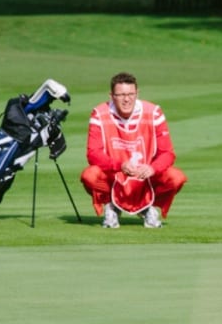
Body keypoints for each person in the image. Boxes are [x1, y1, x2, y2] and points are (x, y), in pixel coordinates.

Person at [79, 72, 187, 228]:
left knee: (176, 178)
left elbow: (168, 153)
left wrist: (152, 168)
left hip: (146, 177)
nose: (127, 99)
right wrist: (120, 165)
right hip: (114, 176)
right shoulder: (99, 113)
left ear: (137, 93)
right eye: (121, 94)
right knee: (89, 175)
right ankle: (111, 206)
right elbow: (93, 153)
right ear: (111, 95)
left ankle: (148, 207)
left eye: (130, 94)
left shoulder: (154, 112)